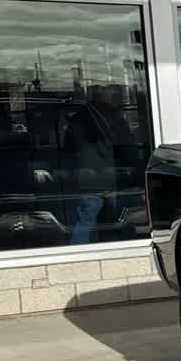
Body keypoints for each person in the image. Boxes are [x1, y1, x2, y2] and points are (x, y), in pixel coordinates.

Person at [65, 85, 139, 244]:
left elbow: (68, 147)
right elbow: (126, 146)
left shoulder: (78, 118)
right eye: (119, 98)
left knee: (85, 221)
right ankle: (132, 249)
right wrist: (135, 171)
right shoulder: (114, 118)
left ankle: (76, 255)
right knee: (122, 218)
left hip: (87, 177)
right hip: (113, 176)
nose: (120, 102)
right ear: (111, 99)